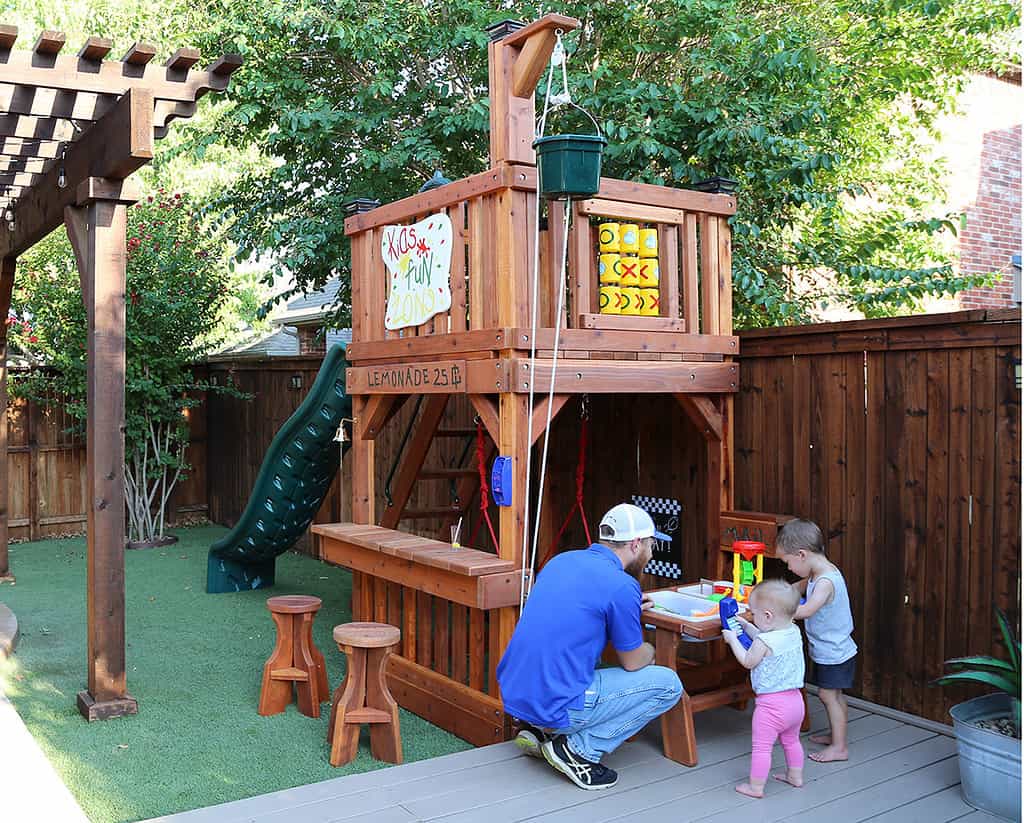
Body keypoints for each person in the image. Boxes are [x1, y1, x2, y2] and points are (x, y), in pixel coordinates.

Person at [496, 502, 683, 790]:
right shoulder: (621, 585)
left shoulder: (561, 561)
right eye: (650, 544)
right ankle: (578, 750)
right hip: (557, 702)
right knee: (669, 683)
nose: (651, 551)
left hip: (515, 693)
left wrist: (629, 606)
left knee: (572, 659)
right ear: (635, 544)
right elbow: (633, 661)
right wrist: (654, 650)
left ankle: (540, 730)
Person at [776, 518, 858, 763]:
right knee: (834, 695)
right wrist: (780, 593)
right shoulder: (816, 573)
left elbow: (807, 610)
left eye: (787, 562)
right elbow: (797, 587)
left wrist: (779, 610)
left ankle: (840, 747)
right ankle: (837, 735)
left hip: (834, 651)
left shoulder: (824, 581)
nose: (789, 568)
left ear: (801, 554)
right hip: (831, 649)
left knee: (828, 695)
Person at [722, 579, 806, 798]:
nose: (753, 617)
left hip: (771, 706)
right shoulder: (793, 631)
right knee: (791, 741)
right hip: (796, 702)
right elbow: (767, 636)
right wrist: (747, 627)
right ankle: (795, 776)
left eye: (754, 614)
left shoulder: (764, 642)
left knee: (761, 748)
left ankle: (756, 787)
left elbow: (748, 661)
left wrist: (733, 640)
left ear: (768, 616)